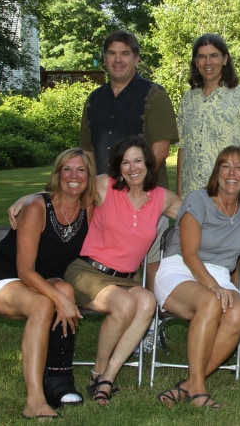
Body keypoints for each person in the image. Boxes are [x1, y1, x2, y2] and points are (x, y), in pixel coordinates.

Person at [0, 148, 98, 419]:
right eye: (66, 169)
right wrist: (61, 300)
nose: (74, 176)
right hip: (5, 277)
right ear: (57, 174)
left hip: (42, 279)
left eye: (81, 170)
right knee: (45, 305)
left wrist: (64, 296)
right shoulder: (36, 207)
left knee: (65, 290)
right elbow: (25, 270)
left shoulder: (88, 208)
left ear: (89, 177)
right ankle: (34, 401)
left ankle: (58, 380)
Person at [63, 137, 181, 405]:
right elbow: (67, 190)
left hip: (124, 279)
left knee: (148, 301)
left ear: (148, 164)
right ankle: (97, 374)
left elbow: (194, 215)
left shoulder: (160, 197)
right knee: (127, 304)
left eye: (138, 160)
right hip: (87, 272)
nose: (132, 168)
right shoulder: (105, 186)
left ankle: (109, 376)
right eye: (125, 162)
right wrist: (28, 200)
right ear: (118, 167)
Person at [154, 146, 240, 410]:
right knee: (211, 302)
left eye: (239, 167)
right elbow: (189, 254)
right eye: (225, 166)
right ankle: (198, 388)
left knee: (239, 312)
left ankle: (187, 385)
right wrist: (213, 286)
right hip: (181, 270)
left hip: (218, 277)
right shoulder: (197, 200)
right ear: (217, 172)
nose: (231, 173)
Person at [80, 30, 179, 295]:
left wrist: (129, 182)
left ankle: (153, 323)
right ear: (104, 59)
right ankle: (126, 314)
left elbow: (160, 150)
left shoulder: (154, 95)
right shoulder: (94, 100)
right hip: (104, 200)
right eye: (112, 53)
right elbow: (88, 152)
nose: (118, 59)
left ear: (136, 59)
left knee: (150, 262)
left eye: (125, 53)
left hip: (143, 198)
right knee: (113, 262)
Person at [176, 33, 240, 197]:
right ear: (196, 62)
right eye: (202, 57)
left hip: (227, 194)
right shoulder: (188, 99)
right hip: (191, 195)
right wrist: (180, 192)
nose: (208, 62)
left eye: (214, 56)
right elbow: (182, 148)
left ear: (225, 59)